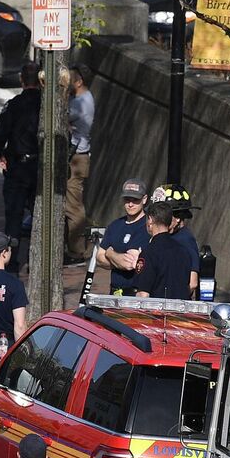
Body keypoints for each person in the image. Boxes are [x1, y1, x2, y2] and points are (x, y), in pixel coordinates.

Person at [0, 62, 42, 273]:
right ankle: (35, 260)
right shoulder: (47, 106)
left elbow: (0, 133)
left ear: (22, 80)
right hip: (40, 167)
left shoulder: (13, 105)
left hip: (18, 168)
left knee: (13, 217)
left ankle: (11, 263)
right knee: (39, 216)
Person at [62, 65, 96, 263]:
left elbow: (61, 114)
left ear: (79, 81)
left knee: (73, 205)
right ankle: (73, 248)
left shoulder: (80, 103)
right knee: (72, 202)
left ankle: (77, 252)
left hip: (77, 158)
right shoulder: (82, 99)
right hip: (79, 156)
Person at [95, 179, 149, 295]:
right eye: (127, 199)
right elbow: (99, 258)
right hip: (114, 292)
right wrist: (118, 260)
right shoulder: (115, 225)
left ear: (144, 199)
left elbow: (129, 264)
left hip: (135, 294)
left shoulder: (148, 226)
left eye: (135, 200)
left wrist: (110, 253)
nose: (130, 204)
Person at [135, 202, 195, 300]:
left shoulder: (149, 252)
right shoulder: (184, 251)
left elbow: (143, 294)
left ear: (150, 220)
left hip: (158, 313)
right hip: (181, 312)